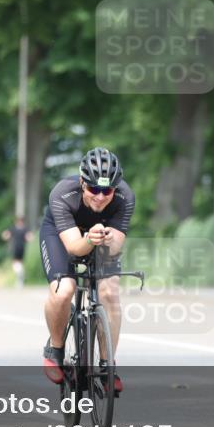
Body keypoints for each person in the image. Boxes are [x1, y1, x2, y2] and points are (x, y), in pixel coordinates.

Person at [40, 147, 134, 395]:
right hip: (62, 236)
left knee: (110, 291)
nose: (100, 197)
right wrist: (90, 239)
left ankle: (107, 365)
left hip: (99, 238)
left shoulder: (125, 197)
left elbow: (116, 245)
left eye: (107, 191)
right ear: (82, 182)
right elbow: (74, 247)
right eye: (93, 189)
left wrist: (107, 240)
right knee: (64, 290)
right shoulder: (62, 193)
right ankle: (55, 349)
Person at [2, 217, 33, 288]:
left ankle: (20, 275)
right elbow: (30, 237)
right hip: (22, 248)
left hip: (15, 248)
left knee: (15, 263)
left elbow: (6, 235)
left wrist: (5, 236)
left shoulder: (13, 228)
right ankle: (20, 278)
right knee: (20, 263)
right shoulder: (25, 229)